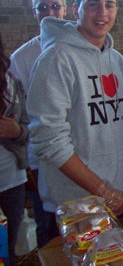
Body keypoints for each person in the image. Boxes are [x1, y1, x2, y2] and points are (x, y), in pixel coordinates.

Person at [26, 0, 123, 233]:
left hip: (113, 202)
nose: (102, 13)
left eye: (109, 5)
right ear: (76, 9)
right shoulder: (56, 59)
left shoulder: (116, 60)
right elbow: (50, 140)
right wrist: (102, 190)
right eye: (93, 4)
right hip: (72, 208)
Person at [9, 0, 67, 249]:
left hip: (78, 153)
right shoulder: (21, 59)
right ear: (34, 13)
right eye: (43, 7)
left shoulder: (82, 49)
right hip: (39, 158)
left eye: (55, 6)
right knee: (47, 227)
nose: (50, 11)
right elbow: (18, 115)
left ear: (66, 10)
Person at [0, 31, 28, 265]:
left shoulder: (11, 82)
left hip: (11, 181)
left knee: (6, 251)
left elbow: (30, 128)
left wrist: (17, 132)